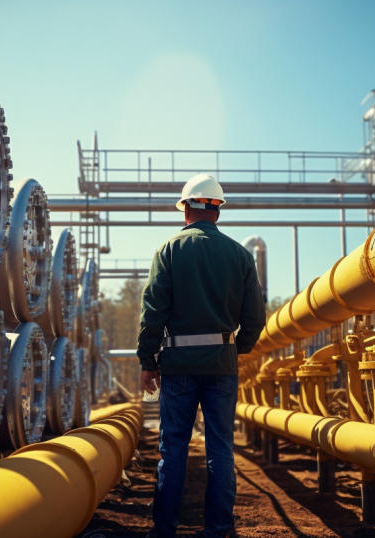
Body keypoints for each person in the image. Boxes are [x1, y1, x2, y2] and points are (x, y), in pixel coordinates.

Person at [137, 173, 265, 537]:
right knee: (220, 447)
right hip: (221, 367)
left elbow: (152, 315)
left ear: (186, 209)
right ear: (217, 211)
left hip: (177, 367)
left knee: (173, 447)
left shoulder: (169, 251)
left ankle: (164, 529)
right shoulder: (240, 255)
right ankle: (219, 528)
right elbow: (255, 316)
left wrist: (148, 361)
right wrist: (236, 349)